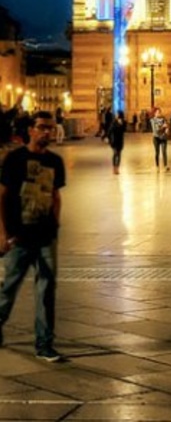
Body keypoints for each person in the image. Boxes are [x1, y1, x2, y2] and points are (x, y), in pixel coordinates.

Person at [0, 111, 66, 362]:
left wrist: (56, 225)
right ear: (31, 130)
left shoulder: (55, 162)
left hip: (46, 235)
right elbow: (2, 196)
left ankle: (44, 343)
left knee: (47, 290)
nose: (46, 132)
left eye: (50, 128)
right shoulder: (15, 159)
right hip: (19, 236)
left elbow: (56, 196)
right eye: (41, 127)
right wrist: (2, 233)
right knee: (9, 287)